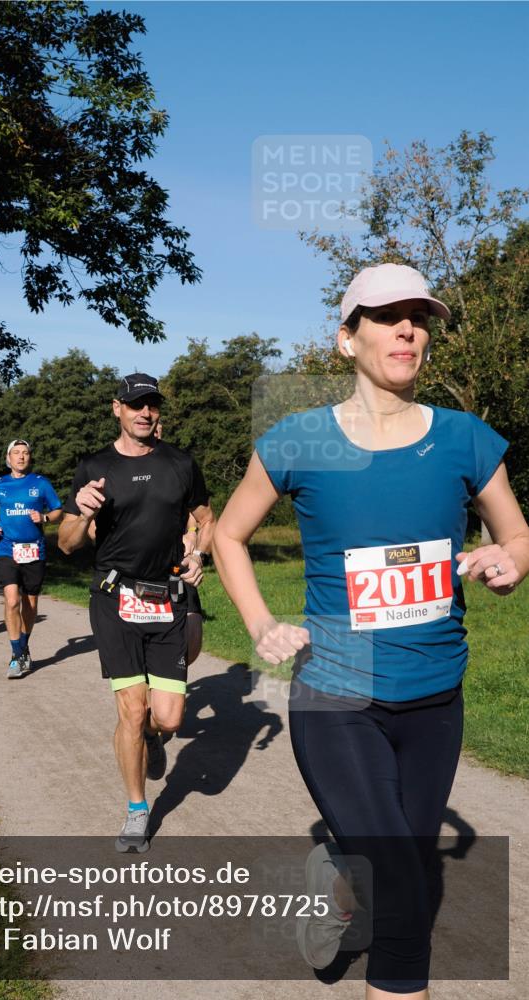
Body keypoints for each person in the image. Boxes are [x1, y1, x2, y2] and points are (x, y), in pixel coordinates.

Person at [212, 263, 529, 1000]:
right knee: (406, 896)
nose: (407, 329)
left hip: (435, 698)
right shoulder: (300, 439)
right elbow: (227, 535)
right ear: (347, 339)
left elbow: (518, 535)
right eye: (387, 316)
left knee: (404, 864)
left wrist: (510, 560)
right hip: (337, 694)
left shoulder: (465, 439)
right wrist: (261, 623)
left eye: (418, 317)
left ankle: (340, 883)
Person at [59, 373, 215, 853]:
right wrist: (84, 513)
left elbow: (207, 518)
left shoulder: (180, 463)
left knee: (168, 718)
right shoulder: (94, 467)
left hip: (167, 596)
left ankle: (153, 737)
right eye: (135, 405)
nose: (145, 412)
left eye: (152, 405)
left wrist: (198, 553)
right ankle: (135, 809)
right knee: (131, 707)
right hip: (115, 598)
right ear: (117, 409)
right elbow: (66, 543)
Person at [0, 439, 63, 678]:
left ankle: (23, 647)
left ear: (29, 457)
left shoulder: (40, 483)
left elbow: (58, 510)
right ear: (8, 458)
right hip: (6, 549)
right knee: (12, 601)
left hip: (34, 551)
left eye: (25, 453)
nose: (21, 456)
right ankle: (17, 654)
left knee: (30, 603)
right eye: (16, 453)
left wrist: (45, 518)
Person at [154, 421, 204, 664]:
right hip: (138, 565)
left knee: (193, 636)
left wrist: (192, 532)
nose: (154, 430)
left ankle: (176, 669)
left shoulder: (178, 464)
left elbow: (198, 508)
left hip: (178, 559)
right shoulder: (120, 465)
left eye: (158, 426)